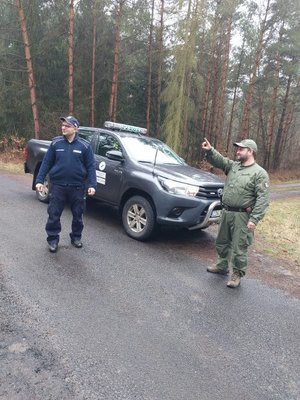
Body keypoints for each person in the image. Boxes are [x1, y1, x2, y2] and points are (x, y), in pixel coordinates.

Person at [202, 137, 270, 288]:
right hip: (226, 212)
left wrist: (255, 219)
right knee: (222, 241)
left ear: (250, 151)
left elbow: (263, 199)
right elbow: (220, 161)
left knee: (240, 246)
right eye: (237, 148)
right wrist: (210, 151)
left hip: (243, 216)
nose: (237, 151)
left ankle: (237, 274)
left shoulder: (259, 173)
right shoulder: (234, 166)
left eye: (241, 149)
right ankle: (221, 266)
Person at [35, 116, 97, 253]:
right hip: (58, 186)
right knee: (53, 214)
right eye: (63, 125)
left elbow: (91, 167)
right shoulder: (55, 144)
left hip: (78, 187)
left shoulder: (85, 146)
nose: (63, 127)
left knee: (78, 215)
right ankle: (52, 240)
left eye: (67, 125)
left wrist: (92, 185)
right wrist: (39, 181)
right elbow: (46, 163)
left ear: (75, 128)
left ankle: (76, 237)